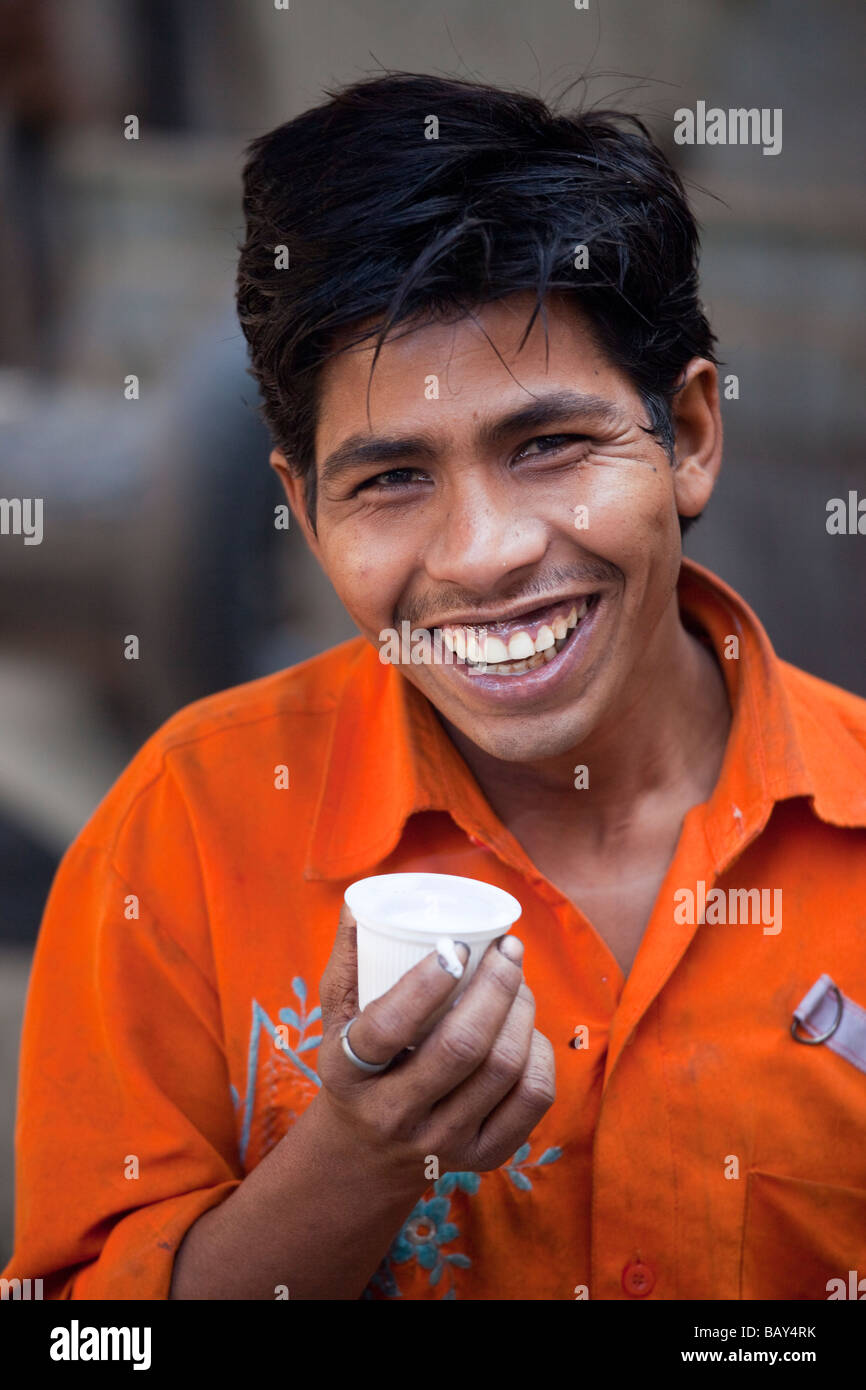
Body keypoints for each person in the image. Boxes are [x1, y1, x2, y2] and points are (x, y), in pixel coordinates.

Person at [4, 73, 866, 1302]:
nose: (481, 555)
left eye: (547, 446)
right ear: (303, 512)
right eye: (390, 479)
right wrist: (355, 1161)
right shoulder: (184, 835)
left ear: (684, 434)